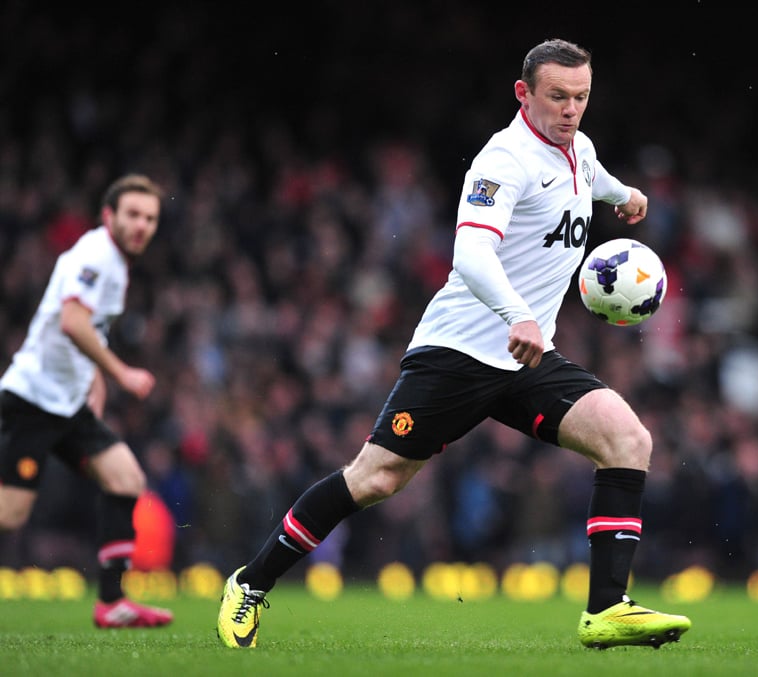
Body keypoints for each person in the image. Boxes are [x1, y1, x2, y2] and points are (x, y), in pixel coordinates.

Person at [217, 38, 691, 650]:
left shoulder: (580, 147)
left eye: (581, 97)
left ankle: (607, 609)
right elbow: (470, 252)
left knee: (628, 439)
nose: (571, 109)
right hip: (460, 351)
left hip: (526, 358)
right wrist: (517, 314)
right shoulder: (502, 160)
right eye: (558, 97)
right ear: (523, 93)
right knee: (375, 479)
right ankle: (249, 584)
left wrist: (624, 195)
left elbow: (589, 177)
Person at [0, 174, 173, 628]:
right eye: (133, 215)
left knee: (125, 478)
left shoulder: (113, 259)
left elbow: (84, 326)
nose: (142, 226)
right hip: (34, 399)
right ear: (109, 216)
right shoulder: (97, 256)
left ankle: (112, 602)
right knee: (10, 514)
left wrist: (93, 378)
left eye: (150, 218)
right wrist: (121, 373)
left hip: (68, 403)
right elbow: (73, 323)